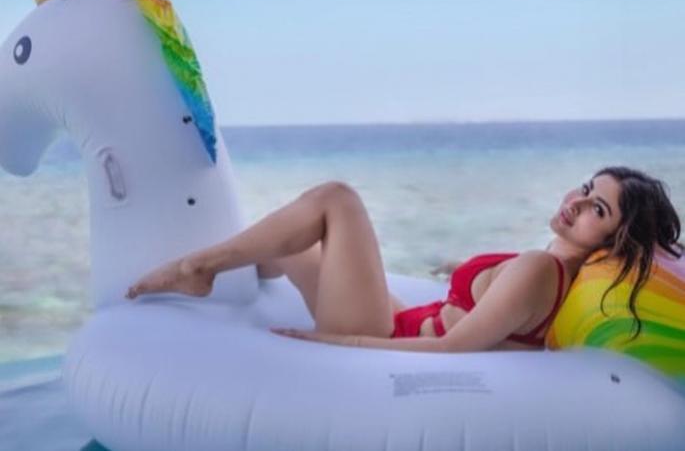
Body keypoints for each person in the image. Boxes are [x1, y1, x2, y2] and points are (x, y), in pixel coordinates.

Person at [125, 166, 683, 353]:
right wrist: (458, 268)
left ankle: (196, 268)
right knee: (291, 249)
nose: (575, 203)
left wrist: (332, 342)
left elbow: (451, 348)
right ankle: (243, 269)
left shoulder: (542, 271)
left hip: (384, 333)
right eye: (585, 189)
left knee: (337, 199)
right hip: (401, 316)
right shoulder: (546, 265)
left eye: (597, 209)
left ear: (616, 239)